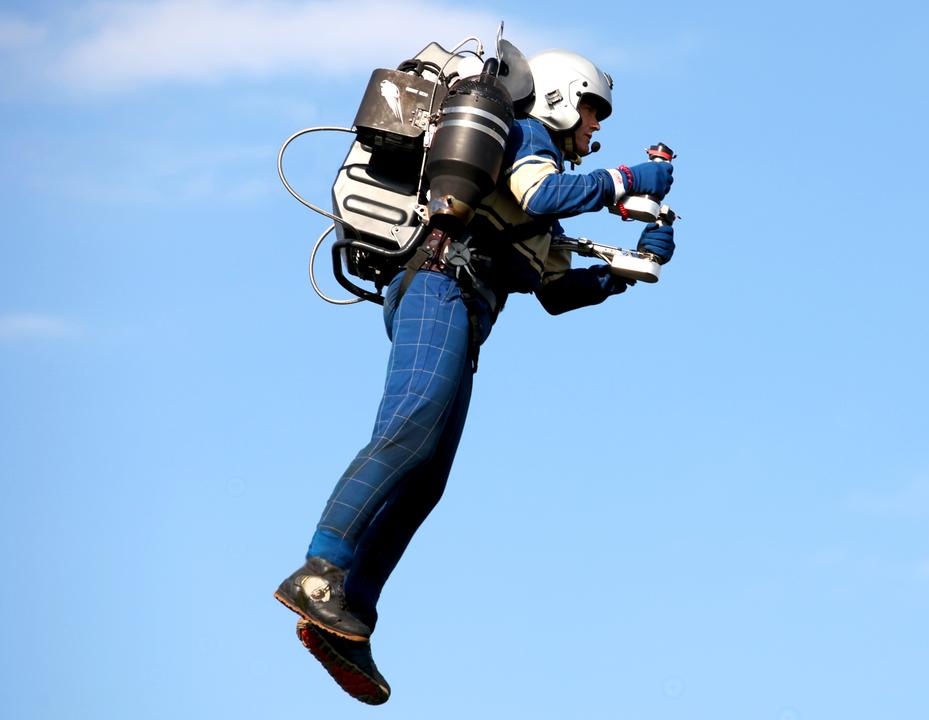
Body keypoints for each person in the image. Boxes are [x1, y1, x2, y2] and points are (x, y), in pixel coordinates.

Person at [274, 48, 675, 705]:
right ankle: (320, 571)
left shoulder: (535, 170)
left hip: (462, 303)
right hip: (439, 285)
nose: (594, 129)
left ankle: (351, 623)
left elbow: (554, 291)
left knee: (426, 477)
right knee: (410, 430)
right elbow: (544, 192)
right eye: (590, 111)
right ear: (558, 96)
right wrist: (629, 178)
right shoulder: (527, 138)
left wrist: (631, 270)